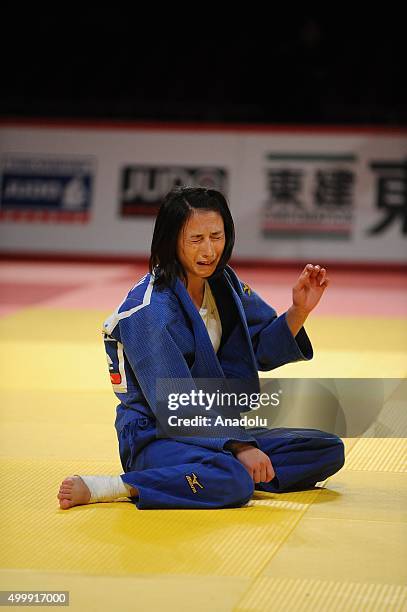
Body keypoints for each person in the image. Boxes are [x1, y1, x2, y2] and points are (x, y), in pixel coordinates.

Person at [58, 186, 344, 510]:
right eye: (196, 239)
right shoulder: (150, 311)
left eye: (216, 236)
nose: (209, 250)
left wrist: (298, 311)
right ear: (171, 241)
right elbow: (173, 405)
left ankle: (215, 475)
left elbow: (259, 348)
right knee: (233, 477)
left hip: (216, 425)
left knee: (325, 448)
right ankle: (114, 486)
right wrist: (239, 446)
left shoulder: (223, 283)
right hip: (154, 435)